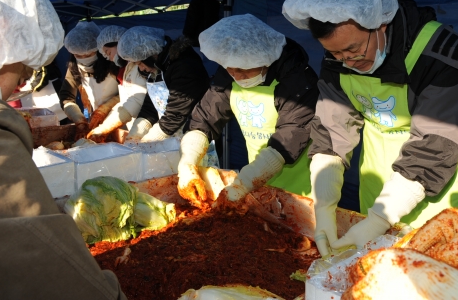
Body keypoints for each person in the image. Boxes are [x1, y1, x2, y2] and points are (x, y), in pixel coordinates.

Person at [282, 0, 458, 256]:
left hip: (440, 177)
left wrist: (378, 221)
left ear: (380, 24)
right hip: (379, 178)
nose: (347, 61)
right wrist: (324, 202)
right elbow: (332, 127)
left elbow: (434, 144)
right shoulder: (337, 57)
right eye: (336, 53)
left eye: (354, 49)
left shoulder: (439, 54)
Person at [0, 0, 126, 299]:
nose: (22, 80)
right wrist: (75, 115)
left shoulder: (116, 66)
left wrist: (109, 115)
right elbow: (47, 257)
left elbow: (131, 101)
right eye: (23, 67)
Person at [177, 14, 319, 206]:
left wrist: (243, 184)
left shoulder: (298, 81)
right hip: (259, 180)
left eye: (243, 69)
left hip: (302, 188)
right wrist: (188, 161)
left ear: (264, 58)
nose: (236, 75)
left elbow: (290, 136)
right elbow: (204, 118)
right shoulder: (228, 76)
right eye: (229, 68)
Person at [118, 26, 210, 142]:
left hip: (194, 137)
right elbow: (150, 107)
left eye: (140, 63)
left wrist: (148, 142)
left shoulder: (185, 66)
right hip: (172, 135)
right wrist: (135, 135)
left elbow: (176, 113)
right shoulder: (158, 67)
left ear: (150, 53)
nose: (141, 68)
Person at [86, 25, 147, 142]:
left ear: (119, 43)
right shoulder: (126, 68)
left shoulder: (140, 66)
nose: (109, 58)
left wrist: (105, 127)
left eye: (108, 52)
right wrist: (106, 113)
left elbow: (138, 99)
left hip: (146, 122)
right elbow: (126, 99)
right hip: (135, 122)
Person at [59, 21, 119, 139]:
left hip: (121, 117)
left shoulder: (113, 62)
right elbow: (66, 96)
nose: (83, 59)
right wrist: (79, 119)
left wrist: (106, 107)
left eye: (88, 55)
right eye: (78, 56)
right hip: (96, 119)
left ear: (99, 50)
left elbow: (131, 94)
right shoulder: (74, 66)